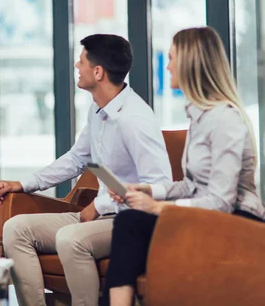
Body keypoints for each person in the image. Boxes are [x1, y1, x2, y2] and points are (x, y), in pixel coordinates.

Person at [0, 34, 173, 306]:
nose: (77, 67)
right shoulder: (98, 110)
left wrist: (99, 205)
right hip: (99, 216)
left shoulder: (135, 119)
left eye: (82, 62)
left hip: (129, 222)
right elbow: (76, 159)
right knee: (16, 229)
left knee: (70, 238)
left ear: (98, 72)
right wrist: (24, 183)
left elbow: (160, 185)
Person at [102, 26, 265, 306]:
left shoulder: (225, 120)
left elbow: (221, 202)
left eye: (171, 58)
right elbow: (192, 186)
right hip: (210, 216)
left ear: (190, 62)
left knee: (132, 222)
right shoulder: (200, 117)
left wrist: (160, 209)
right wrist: (150, 191)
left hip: (239, 221)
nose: (167, 67)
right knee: (130, 221)